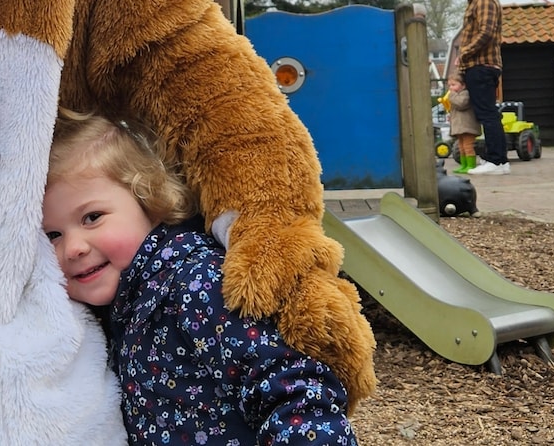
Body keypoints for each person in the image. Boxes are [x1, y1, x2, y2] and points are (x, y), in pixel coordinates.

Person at [42, 111, 358, 445]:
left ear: (149, 201)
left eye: (92, 217)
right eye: (52, 235)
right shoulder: (120, 307)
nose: (73, 248)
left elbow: (291, 387)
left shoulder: (197, 283)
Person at [457, 0, 509, 175]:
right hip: (477, 65)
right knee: (486, 113)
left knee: (487, 113)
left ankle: (497, 161)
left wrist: (464, 52)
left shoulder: (485, 0)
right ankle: (497, 160)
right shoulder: (476, 0)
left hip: (482, 65)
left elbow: (486, 33)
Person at [445, 73, 480, 174]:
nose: (450, 88)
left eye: (453, 85)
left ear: (463, 85)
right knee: (461, 146)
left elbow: (461, 104)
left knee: (468, 146)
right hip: (459, 126)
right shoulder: (456, 96)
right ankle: (464, 164)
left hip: (467, 126)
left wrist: (451, 96)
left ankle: (471, 165)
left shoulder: (465, 94)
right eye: (449, 85)